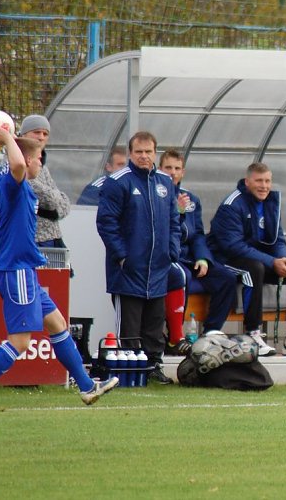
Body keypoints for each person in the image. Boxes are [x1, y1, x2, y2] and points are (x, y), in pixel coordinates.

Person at [0, 119, 118, 410]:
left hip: (22, 268)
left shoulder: (15, 184)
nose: (41, 164)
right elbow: (16, 166)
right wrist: (7, 139)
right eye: (38, 158)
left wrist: (9, 142)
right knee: (20, 341)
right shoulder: (12, 183)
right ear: (28, 159)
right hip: (16, 270)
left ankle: (87, 386)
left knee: (57, 323)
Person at [207, 162, 286, 357]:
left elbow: (277, 238)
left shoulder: (271, 202)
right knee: (254, 269)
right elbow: (233, 246)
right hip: (226, 259)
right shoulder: (232, 205)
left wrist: (284, 258)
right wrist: (271, 262)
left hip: (258, 259)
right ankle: (252, 334)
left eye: (267, 181)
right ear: (247, 181)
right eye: (259, 181)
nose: (264, 186)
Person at [96, 131, 180, 384]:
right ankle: (130, 371)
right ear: (131, 153)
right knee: (130, 326)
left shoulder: (165, 182)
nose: (144, 156)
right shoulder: (118, 182)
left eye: (148, 152)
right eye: (139, 152)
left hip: (158, 268)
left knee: (155, 322)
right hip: (128, 270)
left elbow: (174, 222)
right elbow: (106, 223)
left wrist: (172, 251)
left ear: (155, 153)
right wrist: (122, 257)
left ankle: (154, 367)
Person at [158, 149, 240, 354]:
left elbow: (198, 236)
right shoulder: (156, 195)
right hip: (169, 258)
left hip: (190, 258)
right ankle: (174, 339)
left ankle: (210, 333)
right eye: (168, 168)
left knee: (226, 278)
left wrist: (203, 258)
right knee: (181, 276)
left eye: (177, 168)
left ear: (183, 172)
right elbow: (163, 231)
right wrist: (177, 212)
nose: (172, 172)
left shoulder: (191, 199)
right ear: (160, 169)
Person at [17, 115, 70, 249]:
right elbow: (51, 198)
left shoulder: (42, 166)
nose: (41, 137)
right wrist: (53, 204)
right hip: (34, 240)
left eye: (45, 133)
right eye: (36, 132)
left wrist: (54, 209)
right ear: (23, 134)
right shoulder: (17, 164)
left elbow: (64, 203)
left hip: (53, 237)